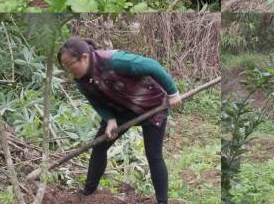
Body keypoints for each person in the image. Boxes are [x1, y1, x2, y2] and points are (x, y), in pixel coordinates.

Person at [58, 37, 182, 204]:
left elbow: (152, 66)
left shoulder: (115, 61)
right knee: (99, 147)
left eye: (69, 65)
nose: (68, 70)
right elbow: (96, 101)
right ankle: (88, 192)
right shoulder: (81, 81)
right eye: (65, 67)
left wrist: (173, 93)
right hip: (121, 112)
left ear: (85, 57)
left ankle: (162, 201)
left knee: (154, 155)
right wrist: (109, 119)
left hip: (152, 107)